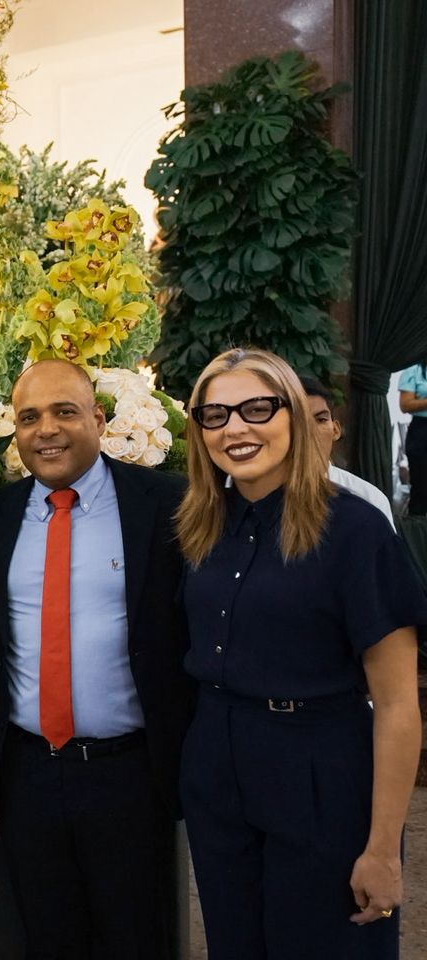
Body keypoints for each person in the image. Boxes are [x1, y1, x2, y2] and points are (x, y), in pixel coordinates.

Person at [179, 348, 427, 959]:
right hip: (217, 765)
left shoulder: (356, 530)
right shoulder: (199, 524)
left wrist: (382, 849)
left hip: (320, 769)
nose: (235, 428)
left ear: (294, 413)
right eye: (215, 415)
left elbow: (398, 703)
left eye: (256, 408)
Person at [0, 358, 192, 958]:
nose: (47, 430)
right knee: (47, 938)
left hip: (131, 774)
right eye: (29, 417)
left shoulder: (164, 506)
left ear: (98, 417)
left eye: (65, 411)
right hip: (29, 775)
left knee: (137, 938)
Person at [299, 376, 395, 525]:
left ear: (336, 430)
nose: (309, 431)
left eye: (320, 420)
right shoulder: (260, 495)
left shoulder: (367, 498)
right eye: (298, 422)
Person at [397, 361, 427, 515]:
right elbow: (405, 405)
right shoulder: (413, 371)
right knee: (421, 485)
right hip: (422, 430)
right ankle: (418, 531)